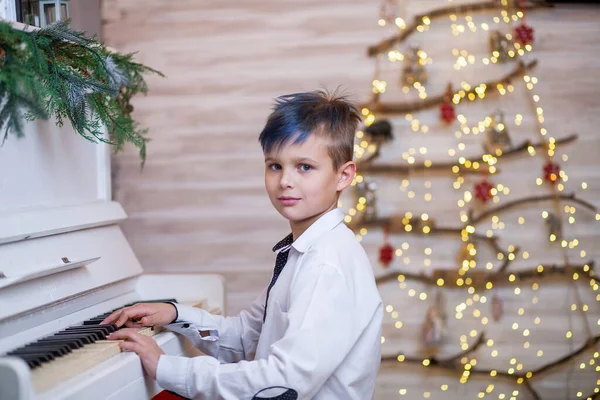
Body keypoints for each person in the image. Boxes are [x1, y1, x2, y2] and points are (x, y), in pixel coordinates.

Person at [102, 89, 384, 399]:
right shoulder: (306, 251)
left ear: (344, 176)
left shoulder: (325, 264)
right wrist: (174, 313)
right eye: (275, 165)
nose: (285, 181)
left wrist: (166, 367)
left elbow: (283, 384)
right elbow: (244, 337)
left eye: (305, 167)